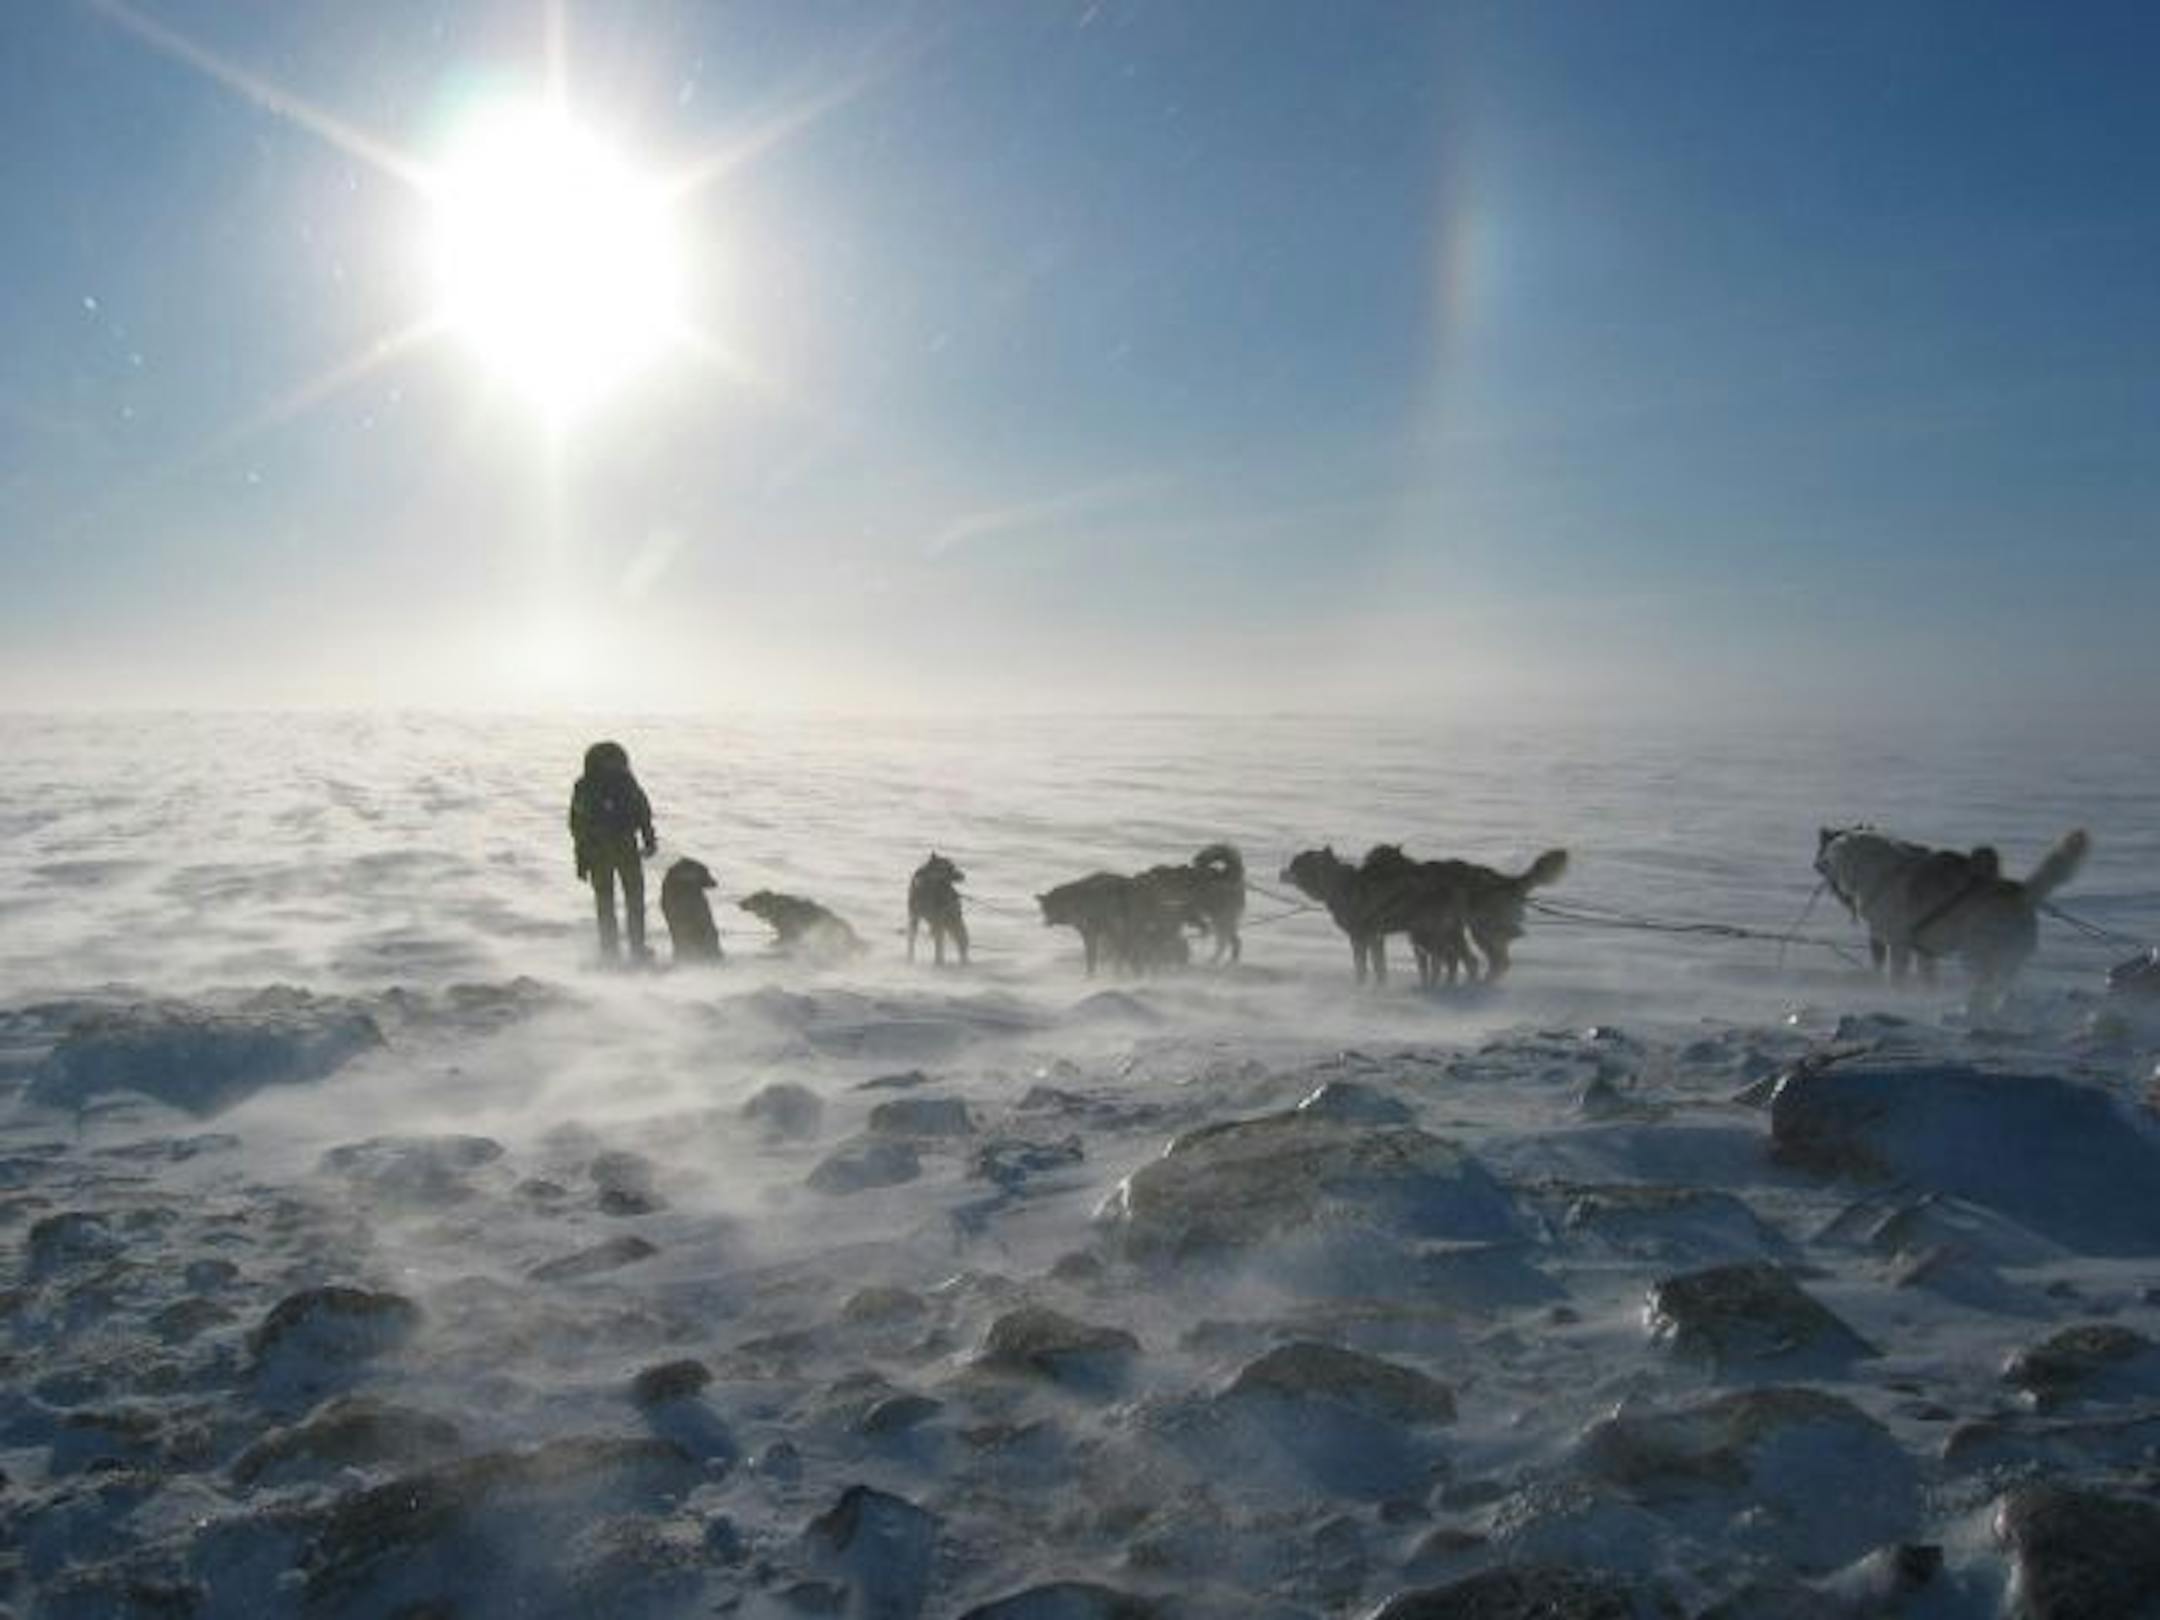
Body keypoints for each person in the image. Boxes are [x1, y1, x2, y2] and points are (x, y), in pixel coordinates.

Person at [569, 740, 658, 961]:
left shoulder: (586, 786)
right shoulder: (624, 783)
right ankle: (633, 950)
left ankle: (613, 952)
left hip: (601, 850)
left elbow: (577, 826)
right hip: (620, 847)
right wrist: (649, 841)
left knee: (608, 903)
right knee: (630, 901)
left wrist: (581, 860)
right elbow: (643, 813)